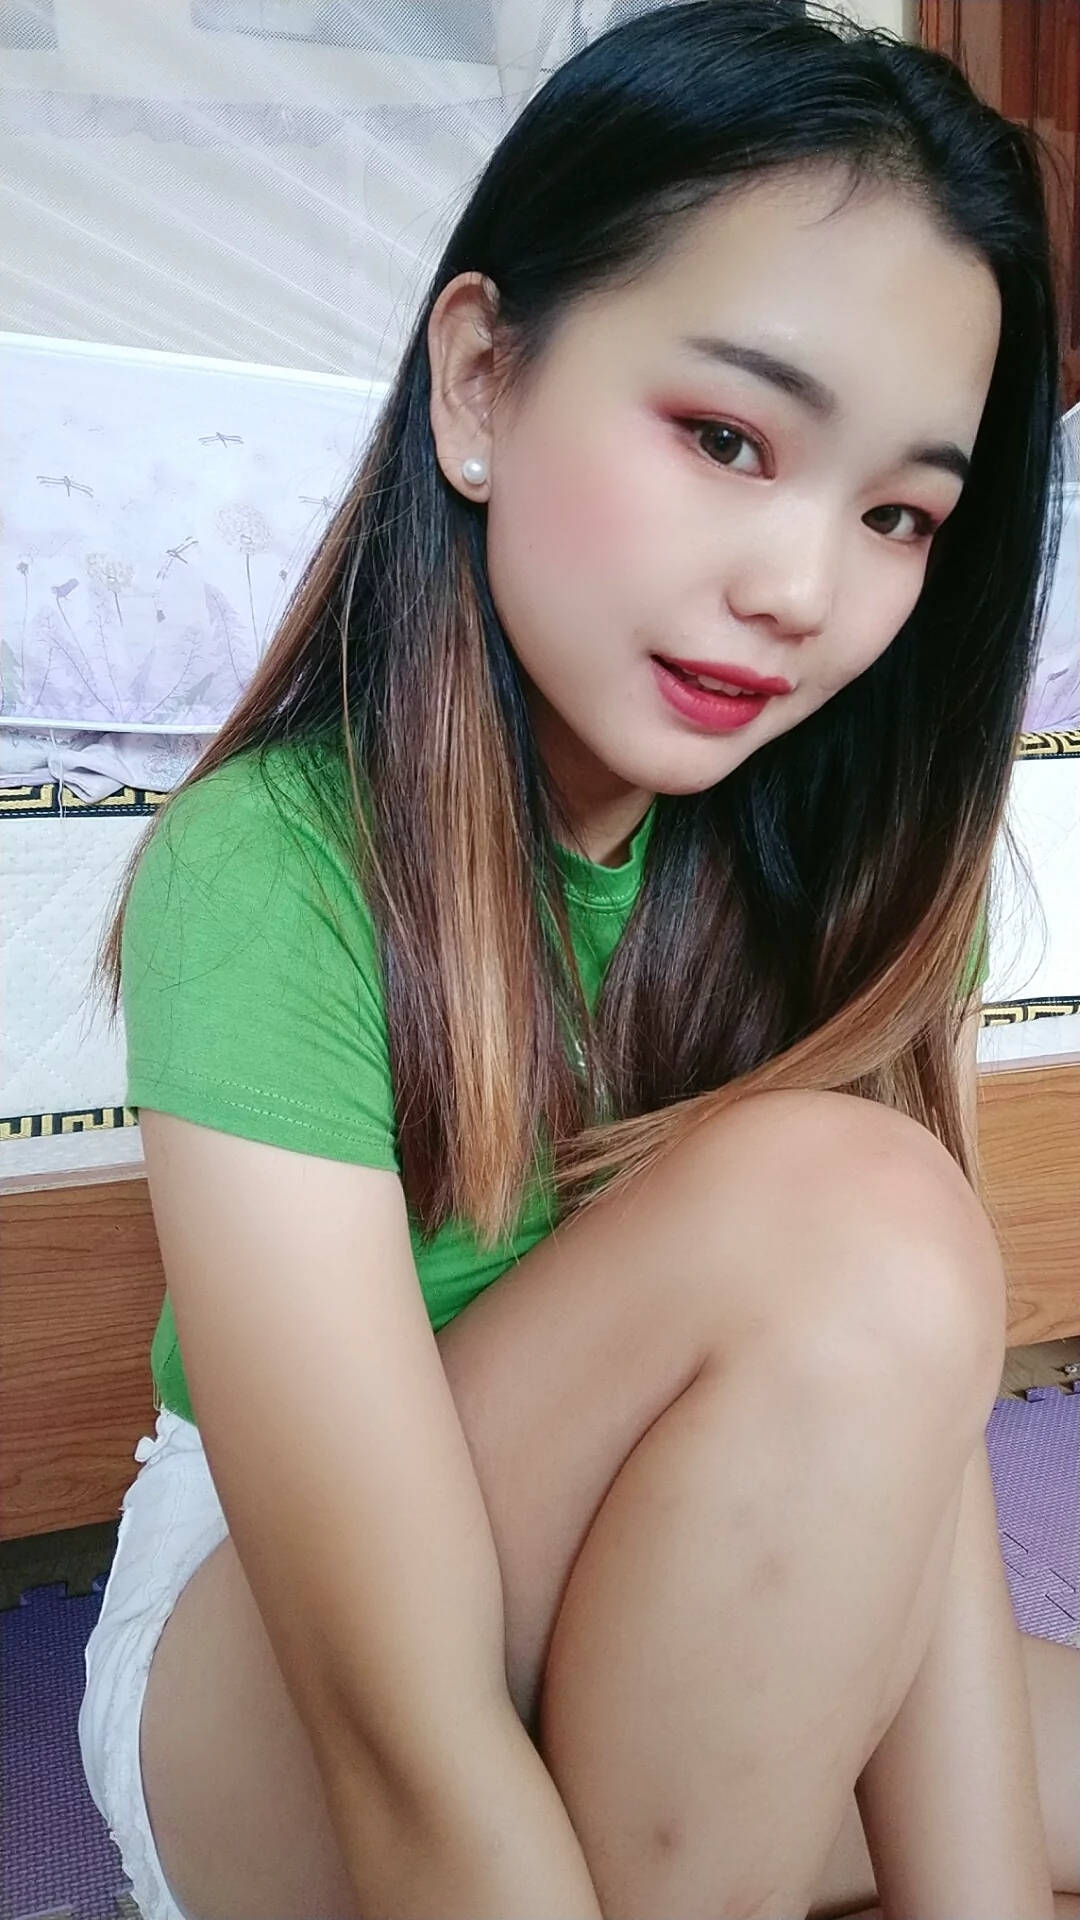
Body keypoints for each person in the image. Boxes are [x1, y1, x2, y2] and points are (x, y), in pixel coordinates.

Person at [78, 2, 1080, 1915]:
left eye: (898, 514)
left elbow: (908, 1411)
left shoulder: (835, 867)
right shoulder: (272, 870)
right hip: (292, 1694)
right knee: (857, 1200)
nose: (800, 589)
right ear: (478, 381)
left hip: (690, 1580)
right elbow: (405, 1733)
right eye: (725, 436)